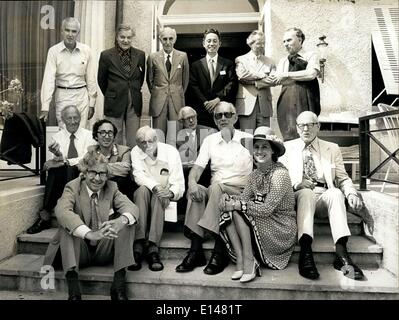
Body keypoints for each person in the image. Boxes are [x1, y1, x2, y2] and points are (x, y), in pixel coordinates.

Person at [280, 111, 365, 281]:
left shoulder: (331, 148)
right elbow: (279, 179)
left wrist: (351, 193)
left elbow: (342, 177)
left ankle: (341, 254)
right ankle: (305, 252)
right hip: (299, 197)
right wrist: (296, 184)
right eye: (301, 125)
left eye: (310, 125)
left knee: (335, 192)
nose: (306, 129)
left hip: (323, 195)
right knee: (306, 193)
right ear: (297, 128)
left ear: (318, 127)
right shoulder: (286, 148)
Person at [44, 150, 139, 300]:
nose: (97, 178)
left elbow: (132, 208)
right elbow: (61, 211)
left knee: (127, 221)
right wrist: (89, 233)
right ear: (84, 172)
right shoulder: (72, 187)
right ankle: (74, 290)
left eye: (102, 173)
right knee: (67, 224)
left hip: (104, 249)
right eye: (93, 172)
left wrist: (121, 221)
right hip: (79, 250)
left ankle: (119, 286)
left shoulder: (112, 187)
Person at [175, 101, 252, 275]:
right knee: (198, 192)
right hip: (216, 191)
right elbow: (197, 168)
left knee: (216, 188)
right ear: (215, 120)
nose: (223, 118)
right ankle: (197, 251)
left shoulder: (248, 139)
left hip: (239, 191)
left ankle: (217, 250)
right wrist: (192, 183)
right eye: (219, 115)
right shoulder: (210, 140)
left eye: (227, 114)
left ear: (235, 117)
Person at [219, 126, 297, 283]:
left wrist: (237, 205)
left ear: (273, 151)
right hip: (264, 221)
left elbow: (267, 209)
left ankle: (249, 261)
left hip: (280, 227)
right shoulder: (255, 174)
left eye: (264, 147)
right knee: (230, 210)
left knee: (239, 210)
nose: (259, 151)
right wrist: (228, 198)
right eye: (256, 147)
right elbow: (244, 198)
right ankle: (241, 259)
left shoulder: (280, 174)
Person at [27, 106, 95, 234]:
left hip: (82, 173)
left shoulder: (89, 135)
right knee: (55, 170)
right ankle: (45, 215)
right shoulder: (57, 137)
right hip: (64, 175)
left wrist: (64, 161)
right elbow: (57, 162)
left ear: (80, 118)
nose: (73, 121)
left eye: (76, 117)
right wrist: (58, 155)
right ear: (63, 120)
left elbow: (85, 158)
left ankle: (67, 211)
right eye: (69, 118)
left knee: (66, 167)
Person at [130, 126, 185, 272]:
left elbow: (179, 183)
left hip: (163, 196)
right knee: (141, 190)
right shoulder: (135, 151)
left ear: (157, 140)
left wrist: (170, 193)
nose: (146, 146)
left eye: (150, 141)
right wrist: (155, 186)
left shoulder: (170, 152)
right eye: (142, 142)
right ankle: (139, 243)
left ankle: (152, 246)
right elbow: (138, 176)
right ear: (137, 143)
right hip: (147, 192)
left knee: (158, 195)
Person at [40, 17, 97, 129]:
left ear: (78, 33)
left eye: (74, 31)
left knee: (81, 132)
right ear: (62, 31)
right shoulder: (54, 51)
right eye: (67, 30)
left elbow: (91, 78)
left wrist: (92, 103)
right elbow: (48, 79)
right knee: (64, 131)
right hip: (63, 94)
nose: (70, 34)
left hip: (81, 96)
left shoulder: (86, 50)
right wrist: (45, 106)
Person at [98, 24, 146, 147]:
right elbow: (101, 80)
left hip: (133, 103)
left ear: (132, 38)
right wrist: (112, 94)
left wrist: (130, 91)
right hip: (114, 102)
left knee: (134, 139)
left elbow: (140, 79)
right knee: (114, 137)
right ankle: (116, 164)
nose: (125, 40)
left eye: (129, 37)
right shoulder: (106, 55)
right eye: (122, 37)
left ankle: (132, 164)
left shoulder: (140, 55)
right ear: (117, 37)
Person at [270, 27, 320, 141]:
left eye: (289, 40)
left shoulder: (310, 55)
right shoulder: (283, 60)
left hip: (305, 100)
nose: (285, 44)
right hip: (286, 102)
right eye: (284, 41)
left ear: (300, 40)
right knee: (288, 135)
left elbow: (311, 74)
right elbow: (278, 79)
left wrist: (287, 75)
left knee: (306, 132)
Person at [189, 29, 238, 128]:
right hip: (202, 111)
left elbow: (231, 84)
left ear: (220, 43)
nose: (212, 43)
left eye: (215, 41)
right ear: (203, 43)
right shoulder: (195, 65)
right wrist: (205, 102)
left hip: (222, 112)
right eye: (209, 41)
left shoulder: (227, 64)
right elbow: (193, 86)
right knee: (204, 140)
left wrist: (217, 99)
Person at [146, 27, 189, 139]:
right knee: (158, 135)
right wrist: (158, 92)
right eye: (165, 39)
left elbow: (185, 80)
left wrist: (177, 92)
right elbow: (149, 80)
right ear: (160, 39)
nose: (168, 42)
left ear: (175, 39)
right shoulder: (153, 57)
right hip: (158, 101)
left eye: (171, 38)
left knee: (175, 135)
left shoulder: (183, 56)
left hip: (176, 101)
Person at [176, 106, 217, 216]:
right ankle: (185, 215)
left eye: (193, 117)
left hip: (205, 171)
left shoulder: (210, 132)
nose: (191, 121)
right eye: (187, 118)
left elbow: (215, 156)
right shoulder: (176, 137)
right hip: (185, 172)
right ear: (181, 121)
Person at [235, 30, 276, 130]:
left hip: (264, 106)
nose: (262, 45)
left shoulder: (270, 61)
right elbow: (242, 75)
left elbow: (273, 80)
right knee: (247, 139)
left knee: (263, 137)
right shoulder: (241, 59)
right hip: (246, 106)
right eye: (259, 43)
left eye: (263, 42)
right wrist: (261, 75)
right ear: (251, 43)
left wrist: (257, 83)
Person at [87, 119, 136, 200]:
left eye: (110, 133)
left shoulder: (124, 151)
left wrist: (98, 168)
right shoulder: (91, 151)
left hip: (120, 194)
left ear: (114, 136)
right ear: (96, 136)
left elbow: (125, 168)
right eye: (102, 132)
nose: (106, 136)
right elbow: (86, 168)